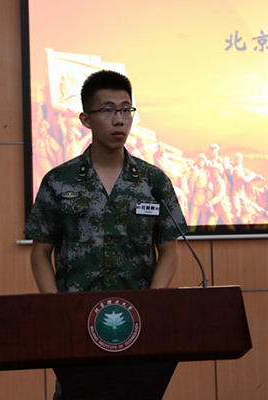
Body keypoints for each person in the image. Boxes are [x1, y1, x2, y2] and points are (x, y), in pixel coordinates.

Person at [24, 70, 186, 399]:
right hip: (77, 324)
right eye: (108, 110)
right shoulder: (59, 181)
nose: (119, 120)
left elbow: (169, 250)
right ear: (86, 119)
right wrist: (57, 309)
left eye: (126, 110)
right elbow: (40, 252)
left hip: (138, 323)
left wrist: (152, 303)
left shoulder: (153, 181)